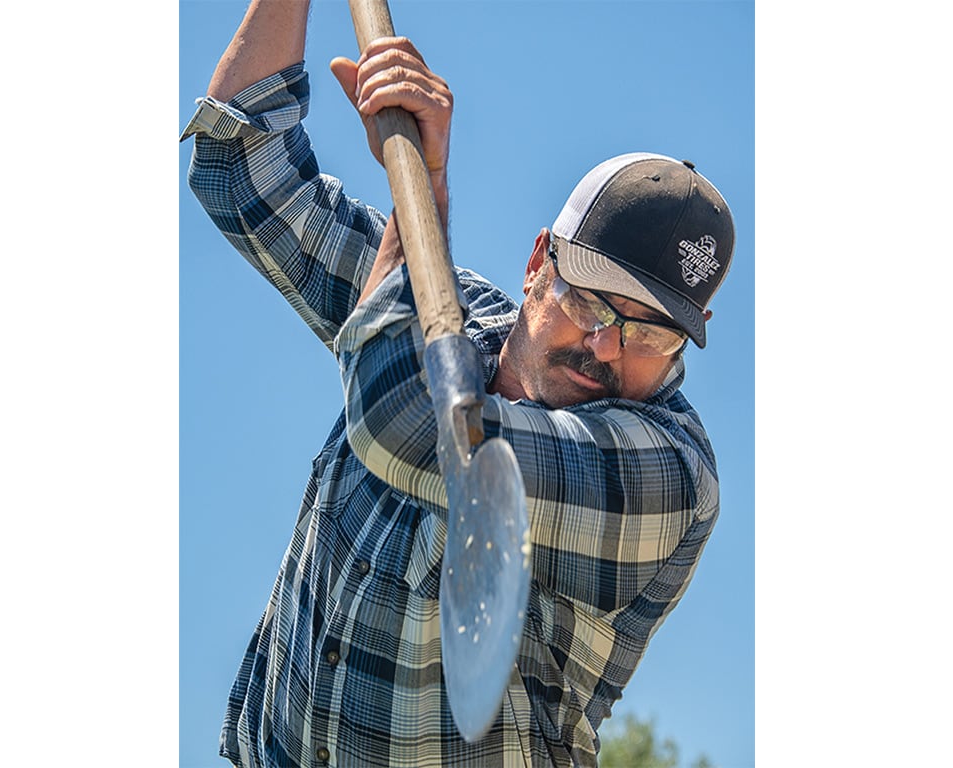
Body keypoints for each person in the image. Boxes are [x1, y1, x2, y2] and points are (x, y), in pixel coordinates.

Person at [181, 1, 735, 765]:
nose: (608, 345)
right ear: (540, 261)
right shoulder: (439, 301)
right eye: (592, 300)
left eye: (651, 333)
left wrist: (423, 204)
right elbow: (239, 173)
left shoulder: (666, 472)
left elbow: (411, 420)